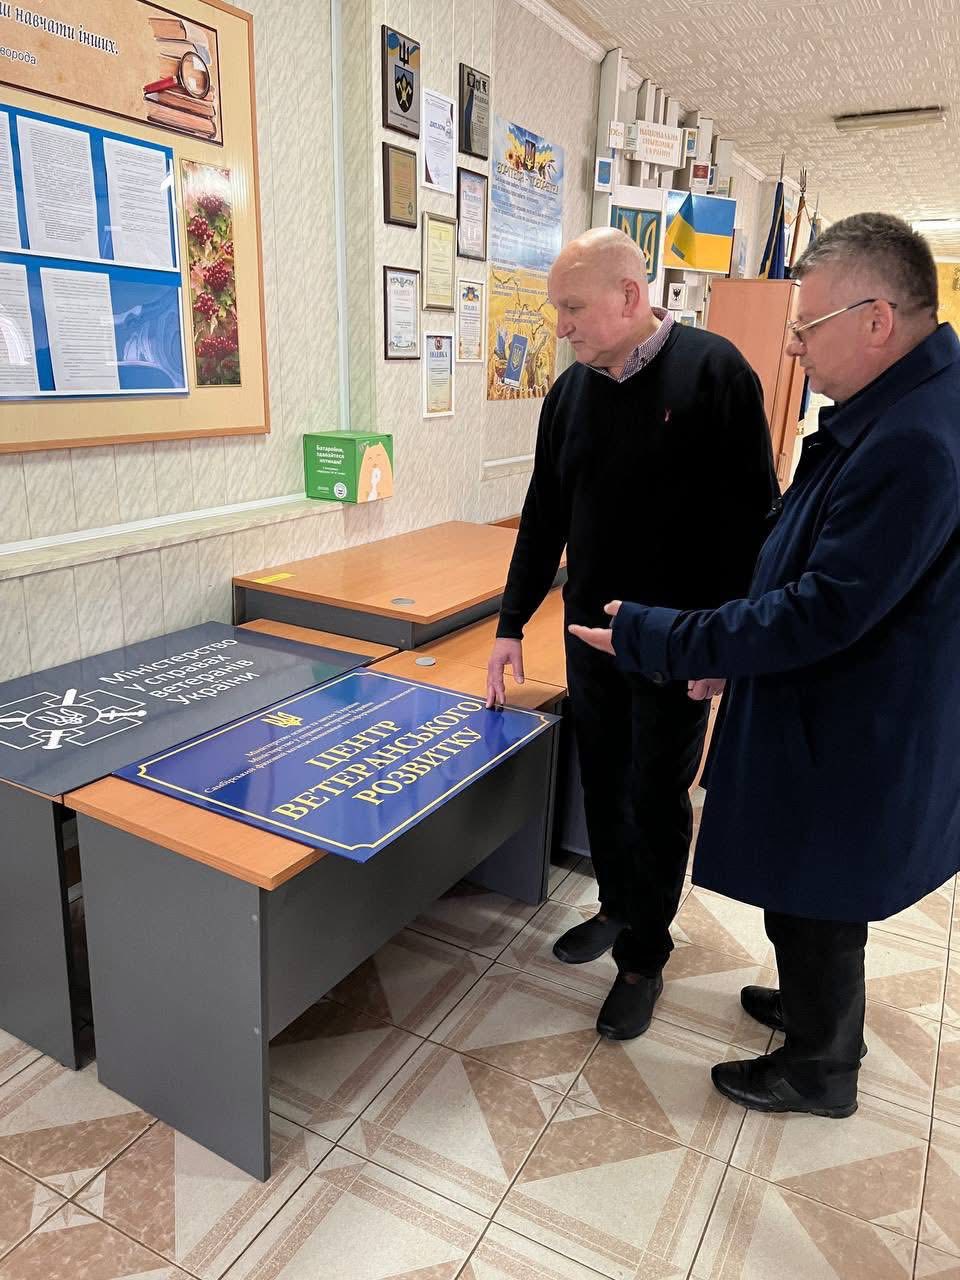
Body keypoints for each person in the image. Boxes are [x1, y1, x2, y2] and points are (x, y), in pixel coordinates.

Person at [570, 211, 960, 1115]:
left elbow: (824, 607)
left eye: (808, 325)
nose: (794, 347)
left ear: (876, 320)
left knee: (820, 883)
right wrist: (732, 652)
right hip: (834, 695)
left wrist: (669, 637)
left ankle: (821, 1067)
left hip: (854, 715)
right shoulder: (902, 408)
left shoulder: (914, 440)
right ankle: (816, 1012)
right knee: (812, 885)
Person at [487, 227, 778, 1039]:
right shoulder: (568, 395)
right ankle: (618, 907)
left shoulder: (716, 373)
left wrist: (721, 646)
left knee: (654, 798)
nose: (560, 326)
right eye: (556, 309)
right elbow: (543, 516)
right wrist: (511, 624)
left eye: (572, 307)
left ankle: (645, 957)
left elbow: (752, 524)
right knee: (604, 783)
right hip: (589, 637)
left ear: (628, 294)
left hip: (675, 645)